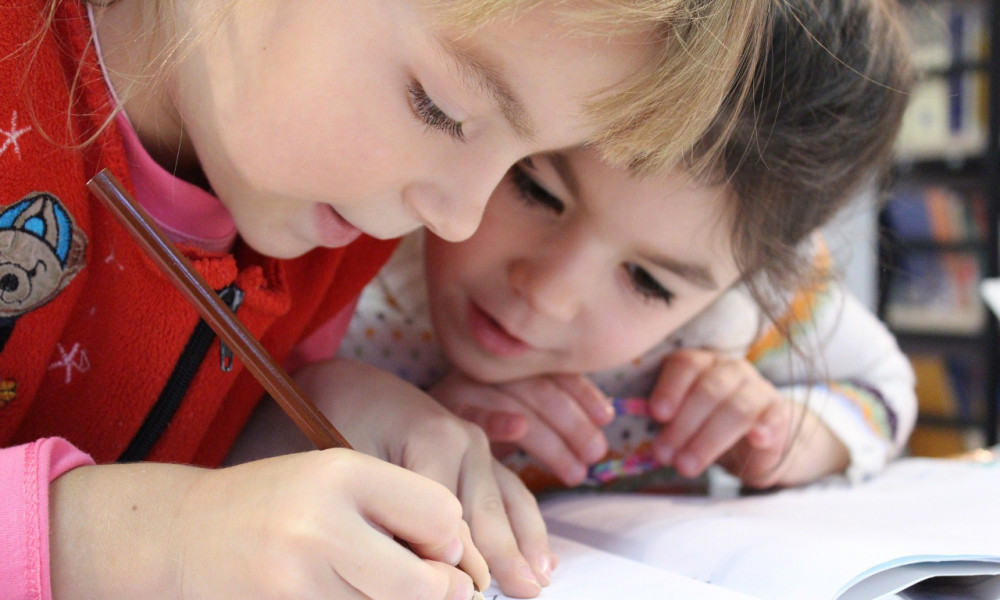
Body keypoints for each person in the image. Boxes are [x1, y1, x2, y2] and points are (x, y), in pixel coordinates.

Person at [0, 1, 773, 599]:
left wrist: (313, 417)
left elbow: (175, 441)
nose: (458, 217)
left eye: (525, 158)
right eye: (441, 109)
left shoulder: (335, 224)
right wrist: (134, 545)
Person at [235, 0, 917, 496]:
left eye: (649, 283)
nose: (549, 293)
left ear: (746, 282)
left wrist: (789, 438)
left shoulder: (746, 317)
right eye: (536, 191)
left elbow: (884, 390)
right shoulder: (352, 236)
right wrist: (360, 418)